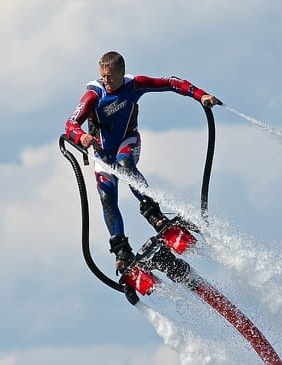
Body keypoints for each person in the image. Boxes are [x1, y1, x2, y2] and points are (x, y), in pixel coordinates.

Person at [65, 51, 219, 274]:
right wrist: (81, 136)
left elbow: (171, 83)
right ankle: (121, 251)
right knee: (106, 196)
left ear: (121, 73)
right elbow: (70, 124)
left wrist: (201, 96)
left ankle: (155, 216)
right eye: (102, 76)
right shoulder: (93, 95)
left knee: (126, 165)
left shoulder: (134, 85)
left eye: (109, 77)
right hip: (102, 153)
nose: (105, 81)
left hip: (127, 141)